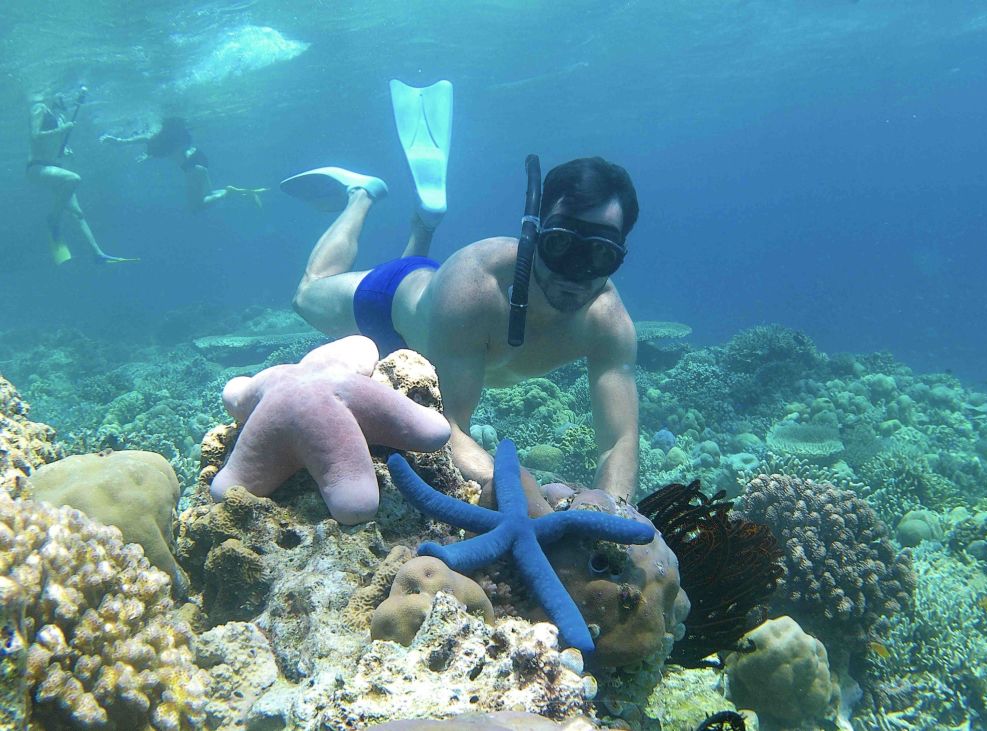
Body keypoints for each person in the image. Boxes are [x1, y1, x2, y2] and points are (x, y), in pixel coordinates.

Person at [282, 81, 640, 503]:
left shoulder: (608, 324)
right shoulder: (476, 288)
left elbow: (620, 442)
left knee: (434, 310)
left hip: (440, 318)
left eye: (599, 253)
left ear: (620, 256)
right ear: (534, 233)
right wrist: (531, 502)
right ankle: (361, 195)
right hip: (391, 301)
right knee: (306, 294)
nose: (575, 272)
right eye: (561, 244)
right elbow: (449, 427)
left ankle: (425, 221)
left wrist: (612, 515)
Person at [26, 91, 137, 265]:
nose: (64, 98)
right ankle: (53, 218)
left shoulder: (60, 117)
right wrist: (61, 130)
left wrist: (65, 149)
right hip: (37, 167)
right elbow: (35, 136)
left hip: (55, 168)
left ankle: (98, 254)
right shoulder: (40, 108)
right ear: (51, 95)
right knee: (73, 179)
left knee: (78, 214)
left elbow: (54, 145)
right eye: (61, 95)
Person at [101, 117, 267, 213]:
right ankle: (242, 193)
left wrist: (119, 141)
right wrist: (148, 156)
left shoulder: (154, 139)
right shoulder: (177, 136)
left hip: (192, 168)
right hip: (199, 160)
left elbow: (135, 140)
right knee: (207, 196)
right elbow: (170, 150)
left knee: (196, 207)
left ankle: (229, 192)